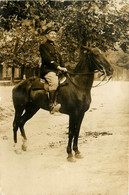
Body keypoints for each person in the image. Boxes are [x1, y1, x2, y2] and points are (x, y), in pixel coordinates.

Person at [39, 29, 67, 114]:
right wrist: (58, 67)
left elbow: (60, 59)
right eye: (51, 34)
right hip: (48, 70)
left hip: (57, 70)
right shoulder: (43, 46)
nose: (53, 36)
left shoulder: (56, 47)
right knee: (54, 83)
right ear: (47, 35)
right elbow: (48, 59)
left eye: (55, 34)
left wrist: (64, 68)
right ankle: (51, 105)